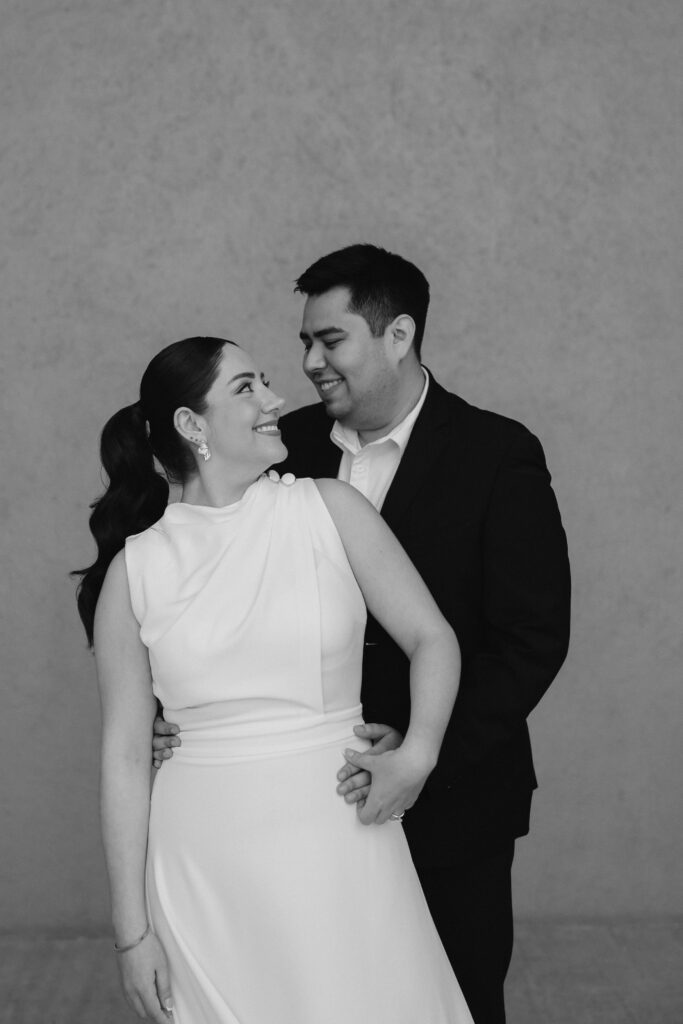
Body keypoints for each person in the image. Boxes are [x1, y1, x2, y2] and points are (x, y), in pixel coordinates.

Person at [153, 245, 572, 1024]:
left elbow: (530, 640)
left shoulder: (495, 454)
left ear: (398, 335)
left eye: (330, 340)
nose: (309, 362)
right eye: (305, 342)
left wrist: (420, 749)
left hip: (454, 799)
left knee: (455, 1000)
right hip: (301, 809)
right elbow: (183, 569)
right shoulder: (278, 444)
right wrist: (166, 705)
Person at [75, 336, 474, 1023]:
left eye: (265, 381)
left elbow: (431, 638)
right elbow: (125, 757)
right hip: (202, 868)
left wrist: (418, 754)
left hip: (340, 842)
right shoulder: (134, 571)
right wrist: (131, 934)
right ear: (191, 424)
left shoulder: (331, 508)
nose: (276, 398)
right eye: (246, 387)